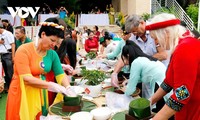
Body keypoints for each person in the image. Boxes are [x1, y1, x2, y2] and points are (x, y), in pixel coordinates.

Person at [6, 18, 76, 120]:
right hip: (22, 93)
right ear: (43, 34)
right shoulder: (24, 50)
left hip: (41, 92)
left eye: (56, 42)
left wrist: (68, 87)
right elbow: (26, 78)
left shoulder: (52, 54)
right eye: (52, 40)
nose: (54, 45)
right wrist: (52, 85)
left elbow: (60, 74)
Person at [146, 13, 200, 119]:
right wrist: (151, 101)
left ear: (166, 33)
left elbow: (182, 94)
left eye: (156, 38)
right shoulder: (182, 45)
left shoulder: (185, 48)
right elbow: (168, 82)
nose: (155, 43)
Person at [121, 40, 169, 112]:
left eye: (124, 58)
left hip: (160, 86)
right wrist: (129, 80)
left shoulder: (136, 62)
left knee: (160, 111)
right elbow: (144, 76)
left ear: (127, 55)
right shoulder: (144, 58)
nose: (124, 62)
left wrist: (125, 90)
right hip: (165, 84)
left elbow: (130, 90)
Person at [0, 24, 15, 91]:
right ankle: (8, 87)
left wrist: (13, 56)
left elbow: (13, 45)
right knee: (5, 73)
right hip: (2, 55)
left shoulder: (8, 34)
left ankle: (13, 87)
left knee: (10, 72)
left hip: (8, 54)